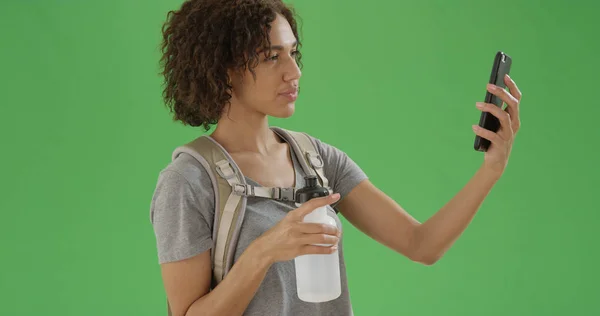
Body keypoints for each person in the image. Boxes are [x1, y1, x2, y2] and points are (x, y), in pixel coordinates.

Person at [149, 0, 523, 315]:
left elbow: (421, 244)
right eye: (270, 57)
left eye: (293, 53)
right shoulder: (187, 182)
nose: (294, 72)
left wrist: (491, 169)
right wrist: (263, 252)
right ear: (223, 71)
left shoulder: (317, 161)